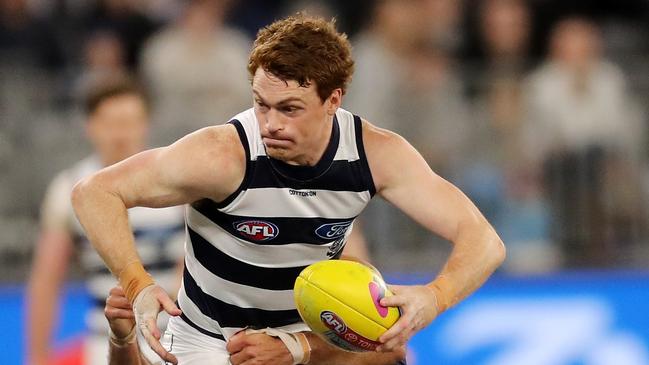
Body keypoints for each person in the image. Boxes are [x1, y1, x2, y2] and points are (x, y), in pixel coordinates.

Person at [71, 14, 505, 365]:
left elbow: (484, 241)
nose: (270, 123)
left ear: (333, 100)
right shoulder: (222, 155)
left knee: (390, 352)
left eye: (290, 109)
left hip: (303, 339)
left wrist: (435, 296)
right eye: (261, 103)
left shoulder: (377, 155)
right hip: (210, 341)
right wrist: (138, 284)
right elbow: (94, 192)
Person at [26, 77, 185, 365]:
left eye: (129, 122)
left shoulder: (177, 180)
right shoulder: (70, 188)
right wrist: (37, 355)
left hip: (176, 336)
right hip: (104, 341)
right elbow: (47, 279)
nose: (120, 133)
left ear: (145, 123)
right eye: (111, 123)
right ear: (90, 125)